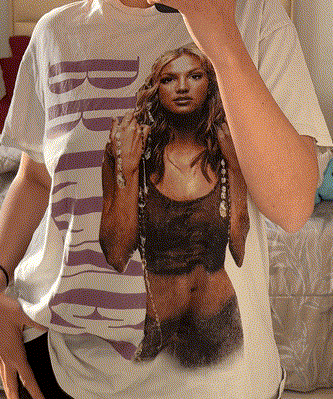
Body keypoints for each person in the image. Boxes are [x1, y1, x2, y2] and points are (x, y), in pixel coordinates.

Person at [0, 0, 333, 399]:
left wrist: (221, 36)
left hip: (225, 381)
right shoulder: (58, 34)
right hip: (72, 365)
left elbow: (291, 207)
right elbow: (36, 176)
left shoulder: (256, 19)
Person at [99, 44, 249, 366]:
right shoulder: (129, 149)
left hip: (221, 321)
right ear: (156, 89)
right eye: (169, 79)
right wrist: (127, 170)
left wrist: (236, 168)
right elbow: (116, 256)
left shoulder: (226, 150)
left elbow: (238, 251)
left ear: (210, 84)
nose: (182, 87)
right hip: (159, 326)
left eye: (194, 76)